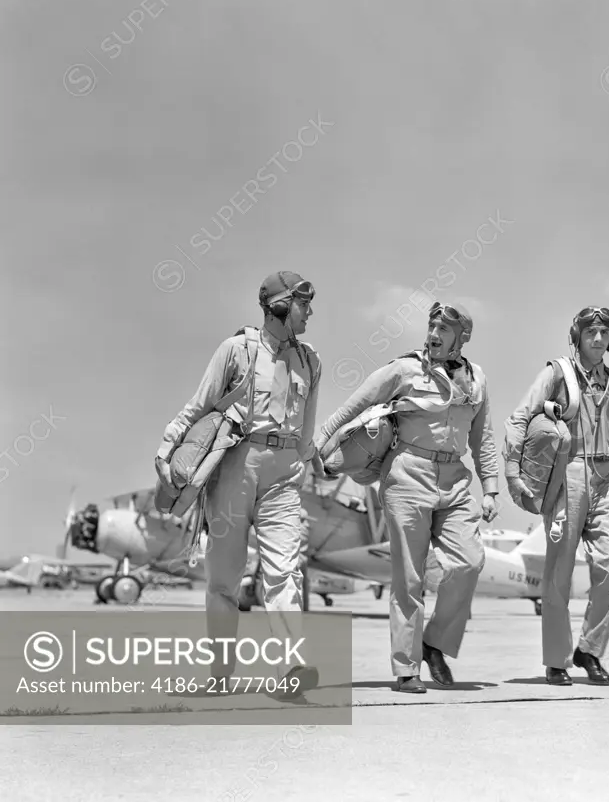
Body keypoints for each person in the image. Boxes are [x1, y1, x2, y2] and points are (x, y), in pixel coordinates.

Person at [316, 301, 499, 693]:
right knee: (408, 578)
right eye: (431, 327)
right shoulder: (403, 369)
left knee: (469, 563)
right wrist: (318, 448)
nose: (433, 335)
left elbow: (483, 437)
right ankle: (406, 669)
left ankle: (435, 643)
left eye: (443, 330)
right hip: (407, 475)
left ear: (461, 337)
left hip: (455, 479)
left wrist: (492, 488)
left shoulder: (477, 379)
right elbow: (355, 405)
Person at [156, 271, 323, 697]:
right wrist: (166, 447)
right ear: (280, 307)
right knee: (224, 578)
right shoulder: (237, 349)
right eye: (304, 304)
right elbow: (200, 404)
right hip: (235, 466)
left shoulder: (311, 361)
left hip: (284, 475)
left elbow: (306, 434)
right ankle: (219, 675)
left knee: (285, 572)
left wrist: (323, 460)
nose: (310, 312)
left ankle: (293, 667)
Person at [503, 306, 609, 686]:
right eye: (590, 332)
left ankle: (590, 650)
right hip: (568, 476)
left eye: (603, 333)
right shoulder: (556, 374)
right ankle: (557, 660)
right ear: (576, 337)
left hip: (607, 479)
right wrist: (513, 473)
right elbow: (519, 418)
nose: (597, 339)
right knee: (559, 572)